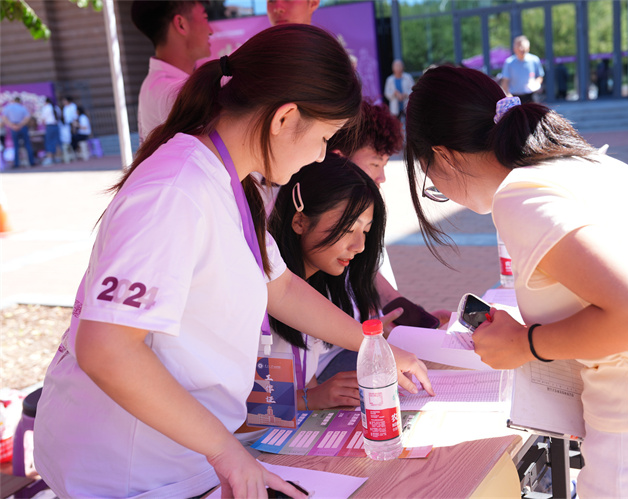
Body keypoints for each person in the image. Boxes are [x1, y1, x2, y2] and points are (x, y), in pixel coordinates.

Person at [33, 25, 432, 499]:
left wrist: (375, 345)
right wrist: (225, 450)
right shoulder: (176, 192)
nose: (322, 155)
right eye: (324, 137)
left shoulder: (230, 181)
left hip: (184, 455)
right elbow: (107, 349)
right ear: (285, 118)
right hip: (130, 470)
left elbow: (279, 287)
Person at [402, 64, 628, 497]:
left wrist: (525, 343)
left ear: (443, 156)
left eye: (430, 178)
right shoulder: (600, 166)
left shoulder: (519, 194)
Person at [316, 101, 451, 382]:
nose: (382, 177)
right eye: (375, 163)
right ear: (339, 160)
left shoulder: (362, 214)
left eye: (385, 164)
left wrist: (415, 321)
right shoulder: (320, 226)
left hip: (360, 344)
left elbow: (382, 291)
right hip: (331, 359)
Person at [267, 156, 388, 410]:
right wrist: (311, 398)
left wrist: (317, 396)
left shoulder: (321, 288)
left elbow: (304, 382)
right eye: (348, 228)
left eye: (365, 231)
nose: (360, 246)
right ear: (299, 222)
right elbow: (237, 409)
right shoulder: (258, 297)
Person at [131, 1, 213, 143]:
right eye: (205, 18)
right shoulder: (172, 91)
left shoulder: (159, 85)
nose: (210, 30)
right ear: (181, 24)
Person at [499, 35, 544, 104]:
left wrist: (536, 84)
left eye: (523, 47)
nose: (521, 49)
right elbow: (505, 81)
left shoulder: (534, 60)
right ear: (514, 49)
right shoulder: (509, 62)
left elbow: (540, 76)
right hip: (514, 97)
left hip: (531, 96)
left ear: (528, 48)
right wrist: (508, 95)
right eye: (519, 47)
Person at [1, 97, 35, 168]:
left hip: (13, 127)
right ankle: (31, 162)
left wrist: (12, 126)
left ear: (14, 101)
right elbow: (27, 118)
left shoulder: (8, 107)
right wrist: (20, 125)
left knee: (16, 146)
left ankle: (17, 164)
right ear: (20, 101)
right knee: (27, 145)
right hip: (22, 127)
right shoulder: (22, 108)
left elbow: (4, 118)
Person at [40, 97, 60, 166]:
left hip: (50, 126)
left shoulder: (46, 108)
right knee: (56, 142)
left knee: (49, 142)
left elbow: (43, 119)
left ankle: (49, 158)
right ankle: (58, 157)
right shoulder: (56, 108)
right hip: (56, 126)